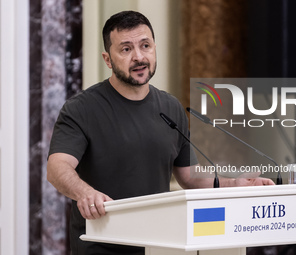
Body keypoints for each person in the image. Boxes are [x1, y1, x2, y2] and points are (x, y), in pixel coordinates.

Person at [47, 10, 275, 255]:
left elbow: (188, 177)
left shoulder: (170, 107)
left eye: (145, 45)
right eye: (125, 49)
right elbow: (57, 167)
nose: (138, 57)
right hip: (101, 245)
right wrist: (85, 193)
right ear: (107, 59)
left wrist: (233, 183)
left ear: (154, 48)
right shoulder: (82, 108)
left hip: (158, 244)